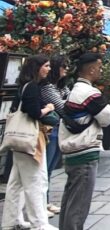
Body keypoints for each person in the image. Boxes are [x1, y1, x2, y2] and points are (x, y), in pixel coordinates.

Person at [58, 52, 110, 230]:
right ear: (91, 69)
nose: (101, 70)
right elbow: (108, 117)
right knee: (79, 204)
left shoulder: (75, 89)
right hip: (84, 151)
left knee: (71, 199)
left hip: (72, 150)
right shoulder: (88, 92)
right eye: (99, 66)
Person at [3, 55, 58, 230]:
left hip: (19, 139)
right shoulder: (33, 87)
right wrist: (48, 108)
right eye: (46, 66)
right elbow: (34, 112)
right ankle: (39, 223)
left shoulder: (24, 86)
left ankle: (11, 221)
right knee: (36, 181)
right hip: (29, 139)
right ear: (37, 67)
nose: (49, 69)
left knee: (16, 183)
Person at [40, 55, 70, 216]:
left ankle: (45, 201)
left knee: (50, 168)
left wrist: (66, 101)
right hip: (49, 130)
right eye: (63, 66)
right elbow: (63, 107)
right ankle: (41, 204)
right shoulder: (47, 88)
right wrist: (66, 102)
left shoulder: (61, 87)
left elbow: (71, 101)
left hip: (58, 130)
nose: (66, 69)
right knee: (45, 168)